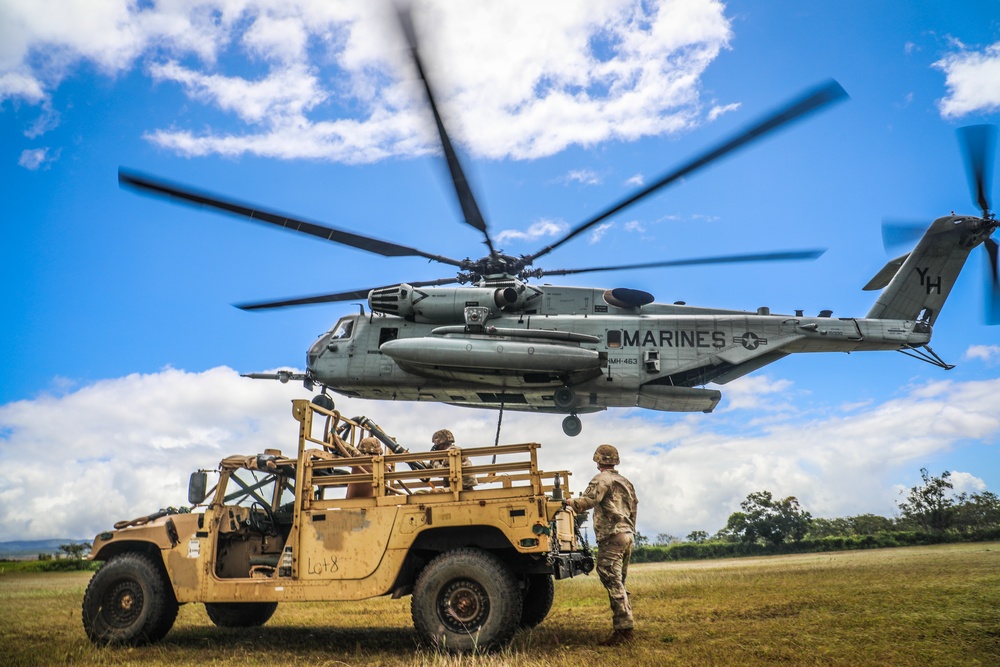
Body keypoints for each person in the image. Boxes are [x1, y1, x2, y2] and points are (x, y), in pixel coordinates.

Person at [565, 444, 638, 646]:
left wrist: (569, 502)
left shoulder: (601, 479)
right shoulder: (626, 482)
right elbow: (634, 508)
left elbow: (588, 500)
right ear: (615, 460)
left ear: (598, 461)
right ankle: (625, 626)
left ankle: (624, 631)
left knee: (611, 579)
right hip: (627, 533)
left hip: (612, 535)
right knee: (620, 581)